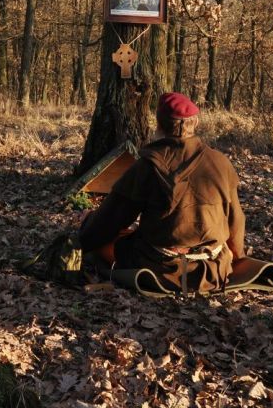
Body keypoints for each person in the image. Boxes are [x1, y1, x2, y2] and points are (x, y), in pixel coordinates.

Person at [77, 92, 246, 293]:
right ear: (197, 122)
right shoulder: (220, 162)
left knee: (104, 244)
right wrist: (238, 259)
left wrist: (84, 233)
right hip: (212, 271)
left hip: (160, 268)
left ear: (159, 124)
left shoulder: (148, 165)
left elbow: (111, 218)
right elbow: (236, 220)